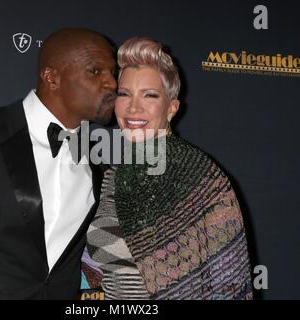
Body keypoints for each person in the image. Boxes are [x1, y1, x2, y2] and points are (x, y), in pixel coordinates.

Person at [0, 28, 117, 299]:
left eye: (113, 72)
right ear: (52, 78)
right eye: (96, 71)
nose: (112, 84)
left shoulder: (98, 167)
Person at [86, 37, 253, 300]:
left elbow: (228, 281)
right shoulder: (114, 174)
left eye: (149, 95)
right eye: (124, 94)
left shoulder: (198, 175)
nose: (133, 107)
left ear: (171, 108)